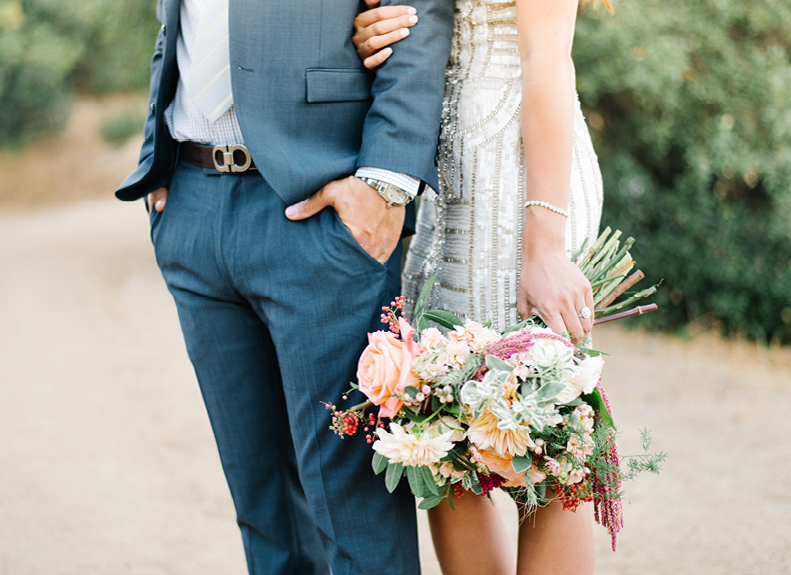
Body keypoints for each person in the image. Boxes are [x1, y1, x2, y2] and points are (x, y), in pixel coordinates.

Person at [115, 1, 453, 573]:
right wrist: (159, 162)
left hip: (322, 207)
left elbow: (416, 12)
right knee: (263, 505)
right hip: (193, 204)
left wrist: (386, 182)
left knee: (354, 505)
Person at [353, 0, 610, 573]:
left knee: (542, 442)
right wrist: (372, 29)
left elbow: (547, 55)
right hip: (447, 175)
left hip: (520, 178)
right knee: (440, 432)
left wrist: (544, 244)